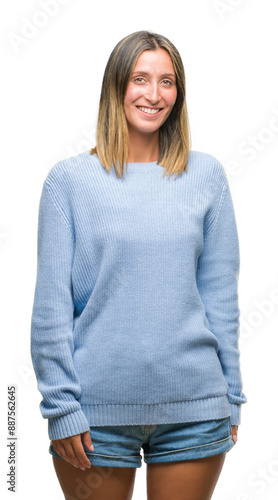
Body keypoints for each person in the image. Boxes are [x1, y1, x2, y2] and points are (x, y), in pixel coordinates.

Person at [30, 30, 247, 500]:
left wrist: (231, 397)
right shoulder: (68, 183)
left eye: (167, 81)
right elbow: (51, 309)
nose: (154, 94)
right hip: (94, 416)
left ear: (179, 92)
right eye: (140, 79)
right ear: (116, 88)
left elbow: (221, 301)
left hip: (194, 409)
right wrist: (60, 407)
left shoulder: (207, 176)